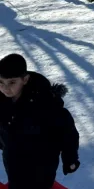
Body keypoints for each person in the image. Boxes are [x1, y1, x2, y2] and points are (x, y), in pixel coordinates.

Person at [0, 53, 80, 189]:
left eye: (12, 82)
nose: (5, 88)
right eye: (1, 83)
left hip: (42, 162)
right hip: (13, 160)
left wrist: (70, 158)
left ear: (25, 80)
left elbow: (67, 131)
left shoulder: (44, 103)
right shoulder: (1, 102)